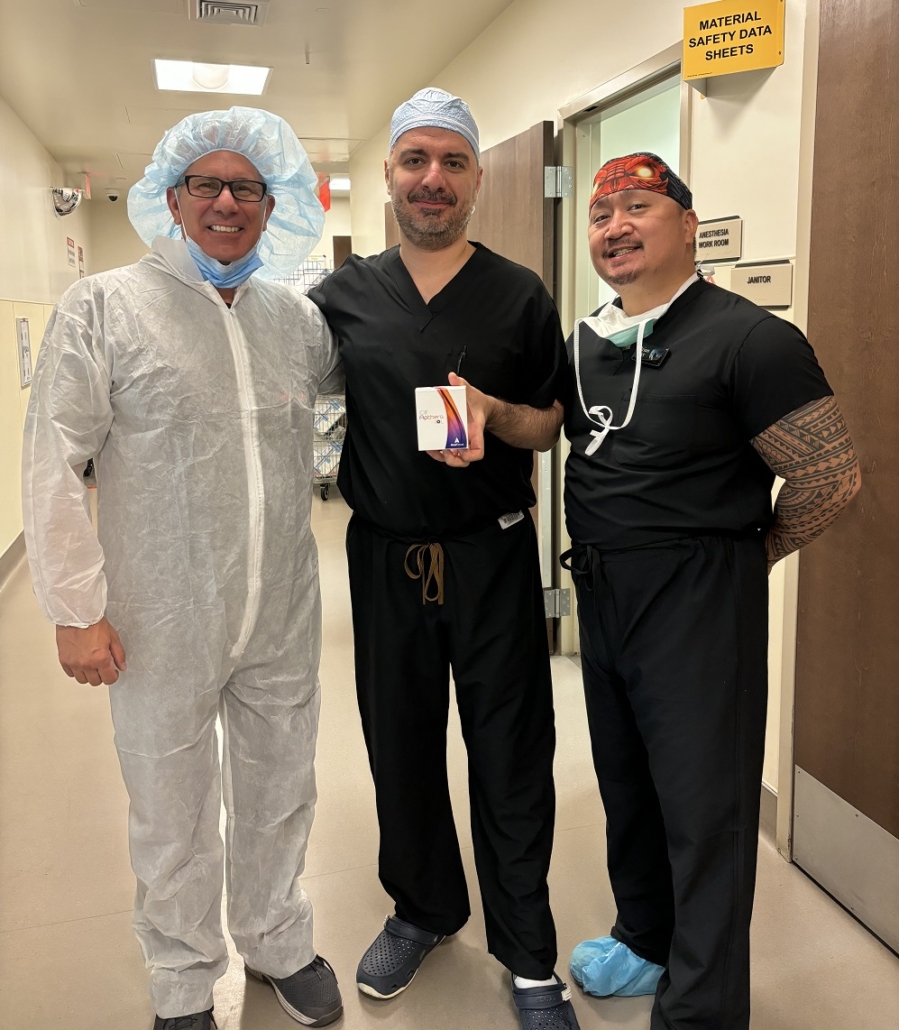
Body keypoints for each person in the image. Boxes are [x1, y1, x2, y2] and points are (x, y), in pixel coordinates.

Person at [22, 107, 344, 1030]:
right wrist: (75, 607)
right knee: (169, 803)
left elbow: (341, 409)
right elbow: (53, 457)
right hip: (158, 608)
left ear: (272, 203)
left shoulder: (295, 320)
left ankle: (278, 938)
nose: (227, 203)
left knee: (283, 784)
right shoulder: (106, 307)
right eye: (206, 184)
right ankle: (182, 975)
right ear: (172, 198)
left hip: (280, 605)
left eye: (248, 186)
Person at [562, 152, 861, 1029]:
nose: (613, 225)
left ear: (687, 225)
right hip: (606, 591)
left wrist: (749, 553)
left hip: (699, 594)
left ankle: (700, 1010)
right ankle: (644, 938)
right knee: (628, 788)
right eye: (599, 212)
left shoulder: (750, 339)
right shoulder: (585, 341)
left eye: (638, 207)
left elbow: (830, 478)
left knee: (705, 812)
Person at [308, 88, 580, 1030]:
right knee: (401, 745)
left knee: (511, 752)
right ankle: (422, 908)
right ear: (387, 174)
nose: (432, 179)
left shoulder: (517, 293)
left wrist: (498, 418)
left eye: (452, 162)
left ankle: (528, 953)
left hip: (492, 556)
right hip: (384, 559)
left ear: (475, 179)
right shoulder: (338, 297)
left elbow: (548, 423)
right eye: (415, 160)